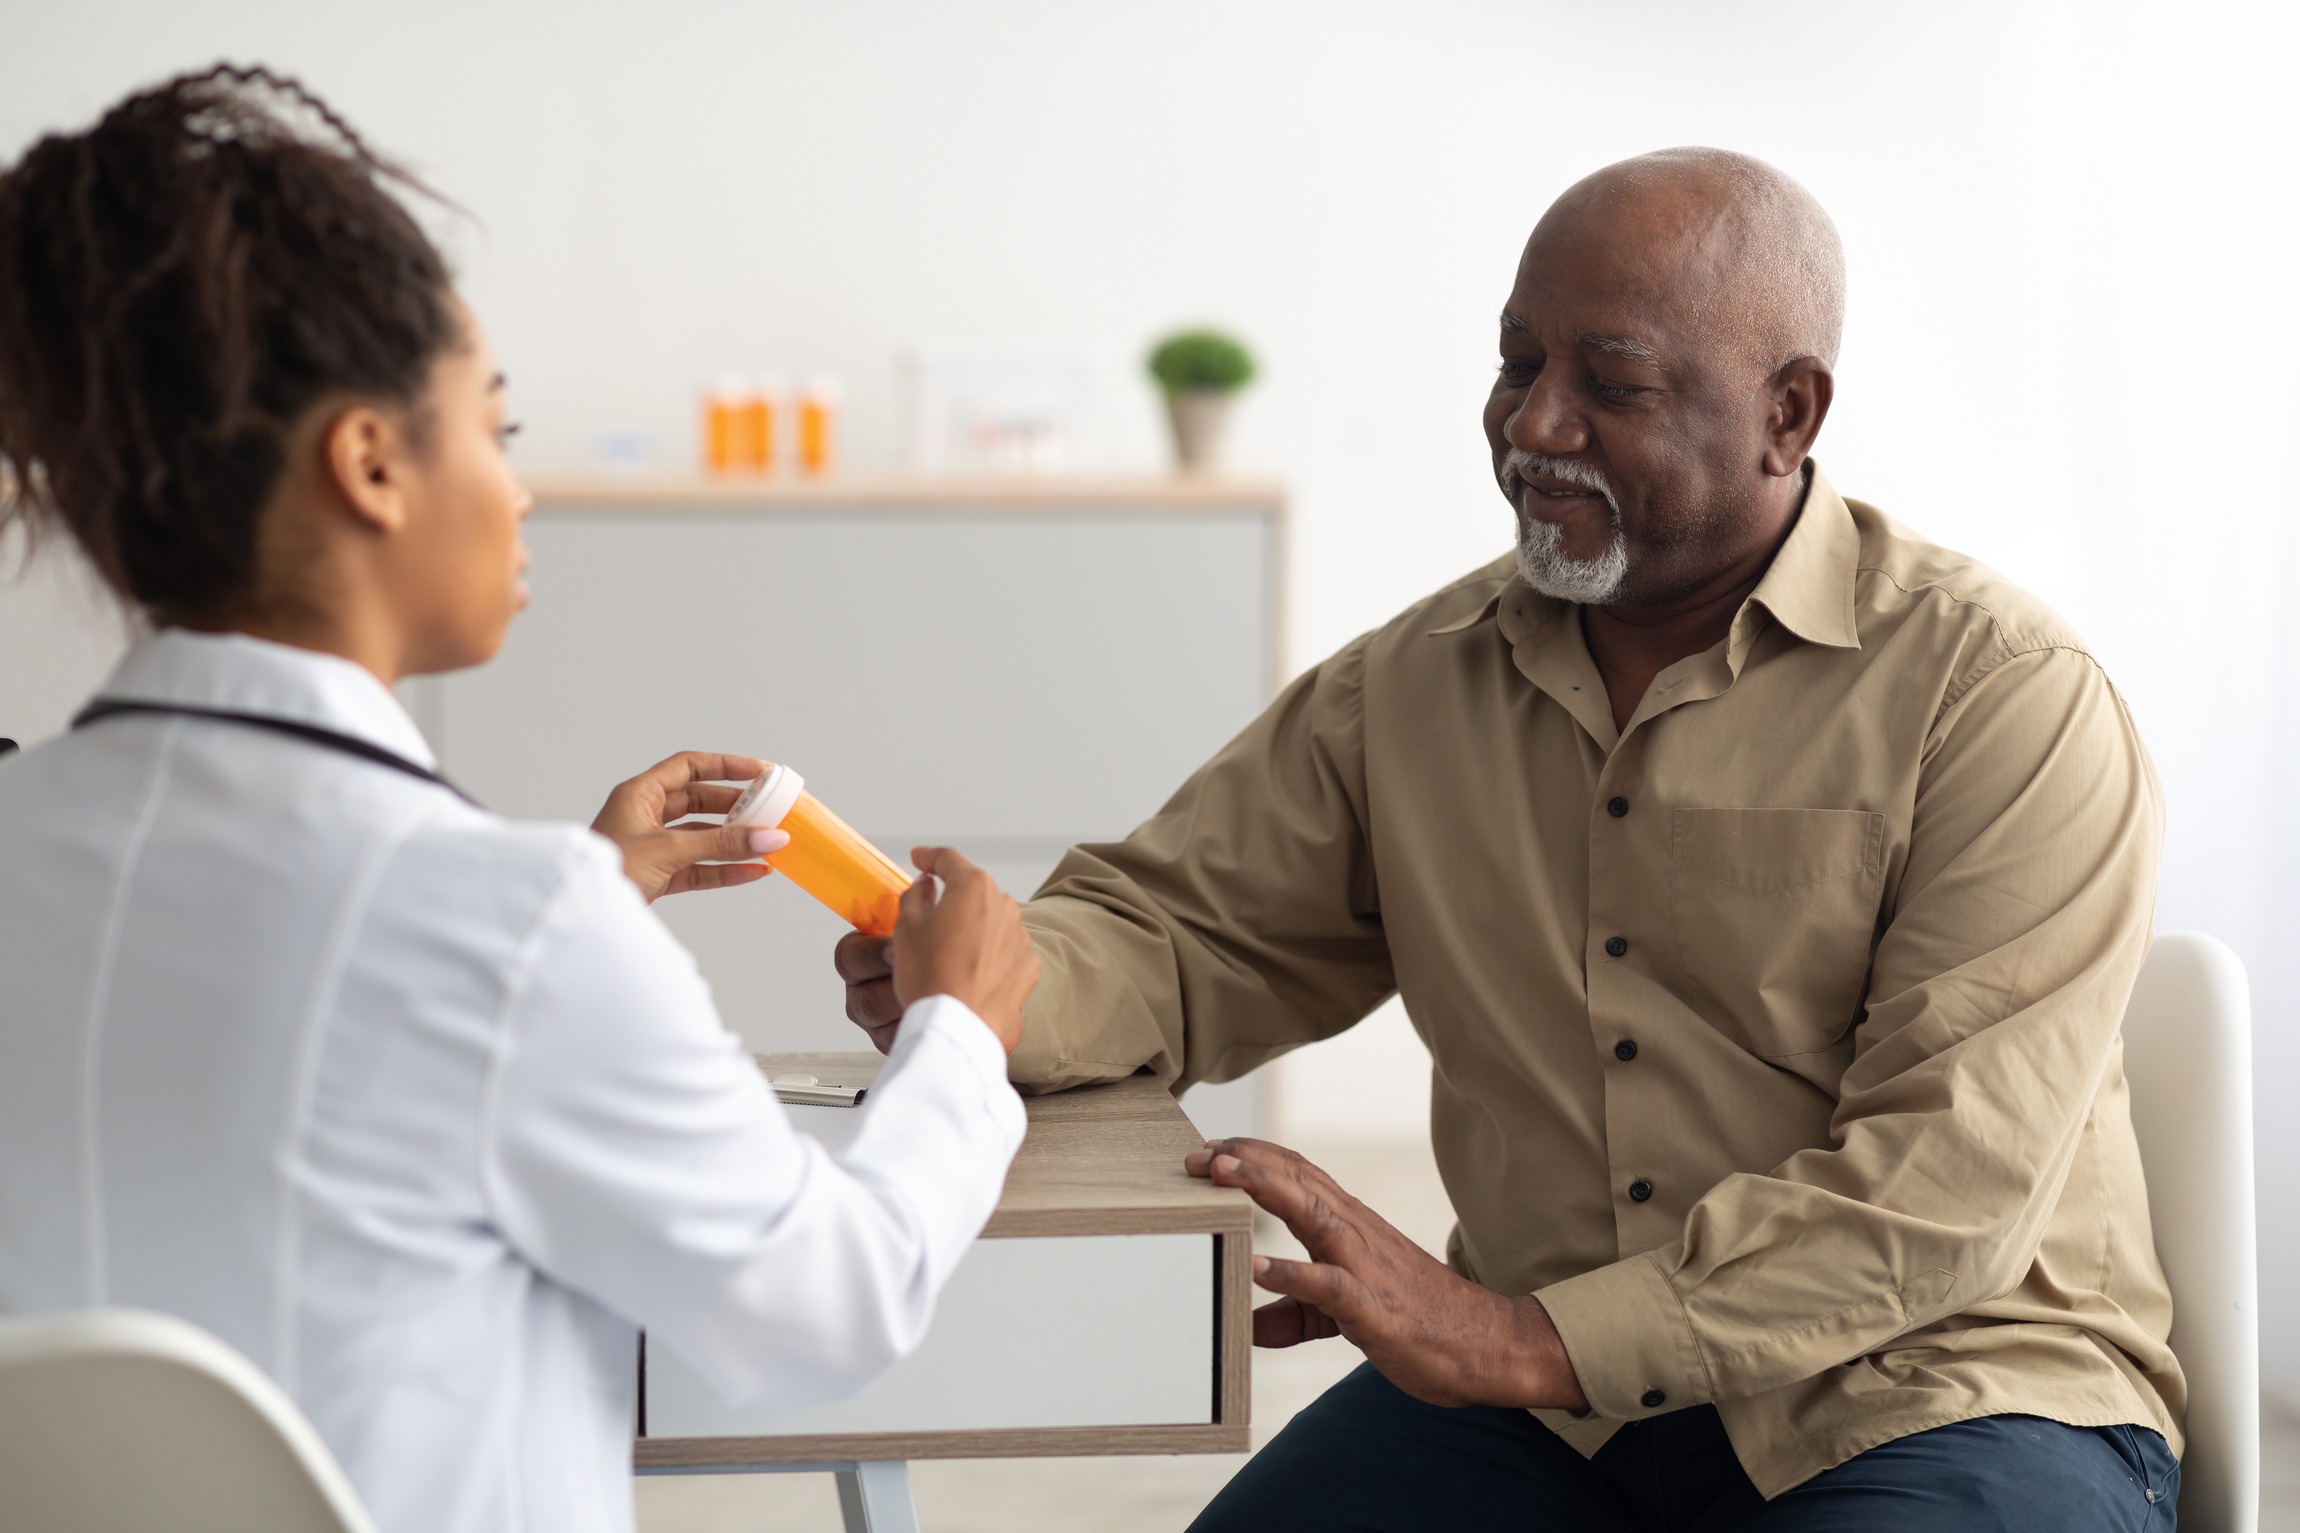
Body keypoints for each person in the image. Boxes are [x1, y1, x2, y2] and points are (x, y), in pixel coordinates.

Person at [840, 148, 2181, 1530]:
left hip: (1938, 1387)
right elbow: (1182, 933)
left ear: (1790, 412)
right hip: (1554, 1420)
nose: (1536, 423)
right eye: (1515, 363)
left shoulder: (2002, 697)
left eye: (1613, 382)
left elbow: (1938, 1192)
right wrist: (987, 986)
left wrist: (1517, 1340)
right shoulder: (1412, 684)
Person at [0, 67, 1039, 1533]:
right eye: (493, 428)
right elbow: (826, 1304)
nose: (522, 489)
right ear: (370, 461)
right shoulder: (500, 926)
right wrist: (960, 1035)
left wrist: (559, 916)